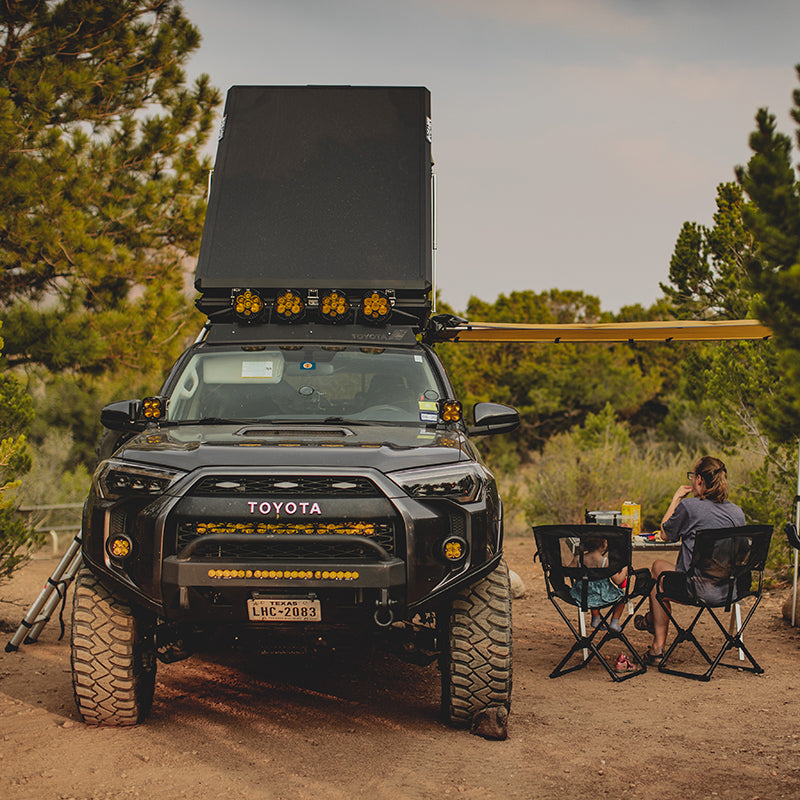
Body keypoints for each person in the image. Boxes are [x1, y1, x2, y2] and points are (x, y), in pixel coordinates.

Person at [635, 456, 745, 665]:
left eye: (692, 476)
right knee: (659, 566)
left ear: (700, 480)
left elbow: (666, 533)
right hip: (730, 588)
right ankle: (650, 621)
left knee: (657, 579)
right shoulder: (736, 512)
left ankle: (657, 647)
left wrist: (676, 498)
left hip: (697, 589)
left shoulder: (690, 507)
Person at [569, 535, 628, 632]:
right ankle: (614, 622)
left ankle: (596, 618)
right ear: (604, 544)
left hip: (581, 595)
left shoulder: (578, 559)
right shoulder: (605, 561)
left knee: (591, 590)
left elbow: (567, 572)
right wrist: (625, 568)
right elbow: (618, 580)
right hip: (600, 595)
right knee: (622, 597)